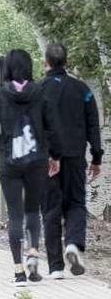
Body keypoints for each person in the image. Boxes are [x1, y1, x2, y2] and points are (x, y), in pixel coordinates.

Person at [0, 49, 62, 286]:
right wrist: (54, 156)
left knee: (15, 214)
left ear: (7, 68)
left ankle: (18, 272)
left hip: (9, 162)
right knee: (32, 210)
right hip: (36, 161)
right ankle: (33, 255)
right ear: (29, 67)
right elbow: (53, 128)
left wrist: (0, 150)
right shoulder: (41, 93)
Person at [41, 43, 104, 279]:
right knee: (76, 203)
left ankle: (56, 267)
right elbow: (93, 126)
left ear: (45, 62)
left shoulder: (38, 90)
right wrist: (96, 157)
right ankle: (74, 244)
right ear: (66, 62)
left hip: (48, 160)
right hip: (75, 157)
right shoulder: (82, 90)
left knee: (50, 209)